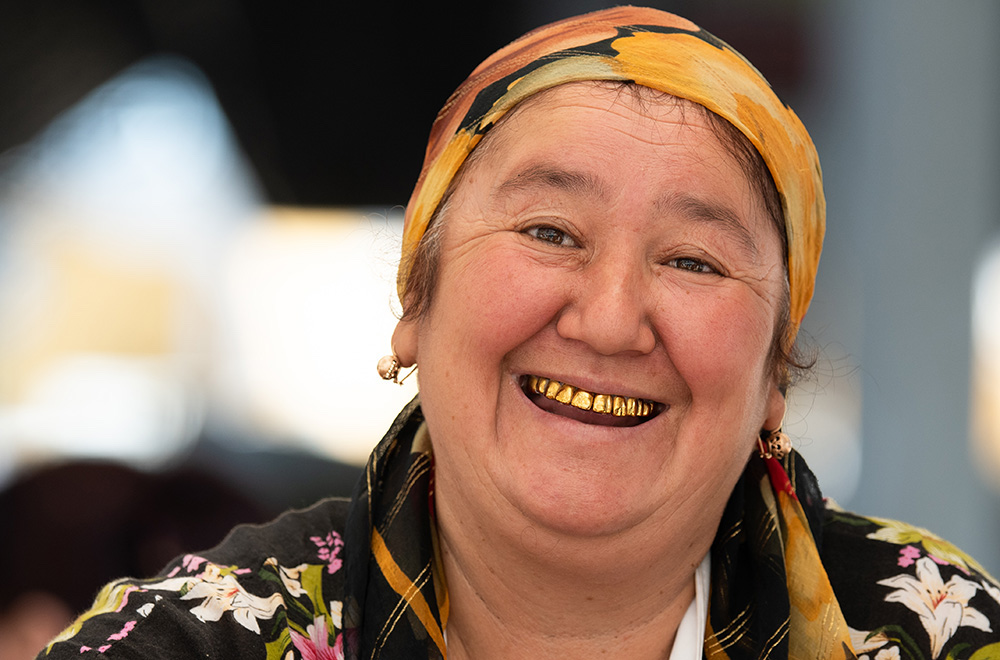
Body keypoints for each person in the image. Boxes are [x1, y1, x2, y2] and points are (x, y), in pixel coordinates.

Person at [37, 7, 1000, 659]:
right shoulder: (197, 643)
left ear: (774, 374)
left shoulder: (937, 632)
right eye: (549, 232)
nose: (613, 317)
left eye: (694, 260)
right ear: (417, 300)